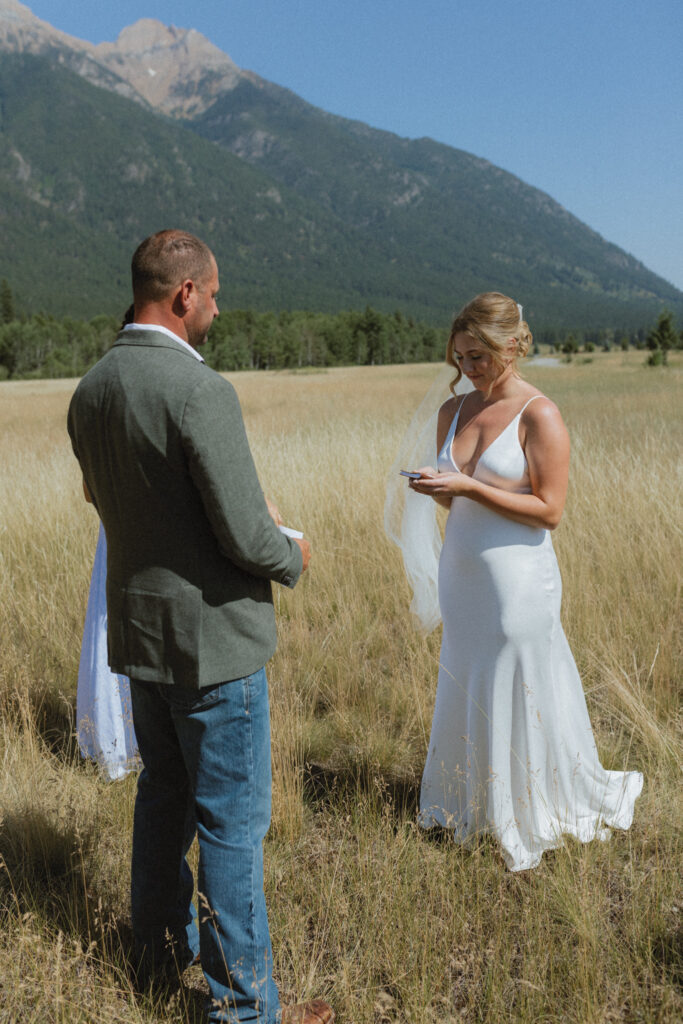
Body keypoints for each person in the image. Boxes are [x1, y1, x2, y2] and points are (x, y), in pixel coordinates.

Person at [68, 230, 333, 1024]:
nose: (217, 306)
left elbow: (124, 507)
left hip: (141, 637)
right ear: (184, 294)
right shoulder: (198, 391)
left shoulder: (91, 388)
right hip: (214, 643)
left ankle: (152, 955)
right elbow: (245, 536)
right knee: (231, 826)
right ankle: (245, 1008)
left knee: (163, 800)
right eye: (213, 293)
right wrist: (290, 551)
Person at [404, 292, 642, 871]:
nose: (467, 369)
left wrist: (467, 489)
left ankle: (534, 801)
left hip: (518, 582)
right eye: (459, 358)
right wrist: (440, 490)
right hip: (462, 577)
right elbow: (460, 504)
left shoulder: (541, 414)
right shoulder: (452, 411)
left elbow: (550, 509)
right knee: (467, 676)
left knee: (520, 679)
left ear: (512, 346)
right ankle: (472, 800)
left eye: (478, 357)